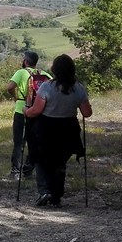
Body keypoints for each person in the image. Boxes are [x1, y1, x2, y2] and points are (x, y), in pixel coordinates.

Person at [24, 54, 92, 207]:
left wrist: (25, 111)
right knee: (60, 162)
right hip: (68, 130)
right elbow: (87, 113)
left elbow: (36, 111)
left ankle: (44, 191)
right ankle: (56, 196)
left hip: (46, 129)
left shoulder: (47, 87)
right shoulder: (79, 88)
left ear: (54, 70)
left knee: (41, 160)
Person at [6, 51, 52, 180]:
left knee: (18, 142)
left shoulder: (21, 72)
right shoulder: (44, 74)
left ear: (26, 61)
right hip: (39, 111)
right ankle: (29, 169)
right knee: (34, 141)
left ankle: (15, 171)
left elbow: (9, 87)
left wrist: (16, 97)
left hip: (22, 110)